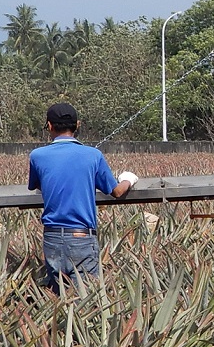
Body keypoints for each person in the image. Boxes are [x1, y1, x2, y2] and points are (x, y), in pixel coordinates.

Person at [27, 102, 136, 291]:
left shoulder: (37, 156)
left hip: (52, 237)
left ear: (50, 126)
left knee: (59, 297)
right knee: (85, 302)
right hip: (82, 237)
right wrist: (128, 180)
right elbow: (117, 192)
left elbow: (36, 185)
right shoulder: (93, 155)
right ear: (78, 125)